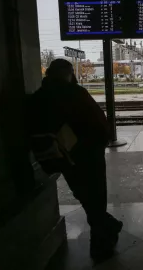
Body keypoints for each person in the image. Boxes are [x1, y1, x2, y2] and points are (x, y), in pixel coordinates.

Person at [27, 59, 122, 260]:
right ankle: (101, 242)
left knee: (83, 195)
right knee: (96, 197)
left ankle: (106, 230)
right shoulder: (76, 93)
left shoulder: (38, 98)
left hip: (63, 158)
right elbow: (100, 124)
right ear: (69, 73)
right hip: (88, 155)